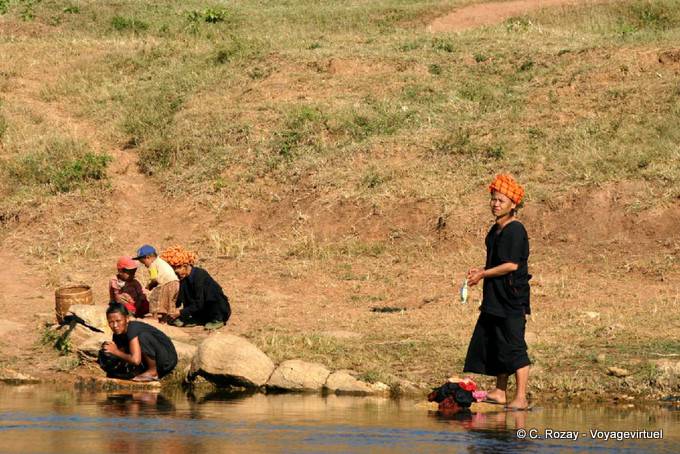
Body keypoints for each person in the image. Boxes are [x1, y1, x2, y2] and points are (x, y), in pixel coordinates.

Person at [463, 173, 532, 411]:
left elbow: (512, 265)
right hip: (494, 296)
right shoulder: (495, 230)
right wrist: (481, 270)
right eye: (493, 199)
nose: (495, 204)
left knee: (514, 346)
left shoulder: (515, 230)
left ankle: (521, 396)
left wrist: (483, 274)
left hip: (512, 298)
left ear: (513, 205)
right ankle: (500, 391)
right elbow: (496, 262)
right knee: (495, 341)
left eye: (501, 200)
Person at [99, 302, 178, 382]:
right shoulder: (117, 335)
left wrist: (115, 351)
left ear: (127, 319)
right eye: (111, 322)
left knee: (142, 337)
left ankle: (153, 372)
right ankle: (141, 370)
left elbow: (136, 360)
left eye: (118, 321)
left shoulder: (132, 328)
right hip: (154, 360)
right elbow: (123, 353)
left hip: (167, 360)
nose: (115, 325)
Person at [160, 245, 231, 330]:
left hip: (217, 310)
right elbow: (179, 297)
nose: (175, 274)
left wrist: (179, 312)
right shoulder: (183, 278)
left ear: (184, 266)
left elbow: (199, 302)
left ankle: (217, 319)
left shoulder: (200, 275)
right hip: (200, 311)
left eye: (176, 270)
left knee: (212, 296)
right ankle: (198, 319)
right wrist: (170, 309)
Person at [133, 244, 180, 324]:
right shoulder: (160, 261)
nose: (145, 265)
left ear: (148, 257)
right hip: (176, 283)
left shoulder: (152, 265)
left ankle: (157, 319)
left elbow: (154, 279)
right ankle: (173, 320)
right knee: (170, 303)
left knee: (156, 299)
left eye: (144, 263)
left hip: (167, 283)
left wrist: (149, 286)